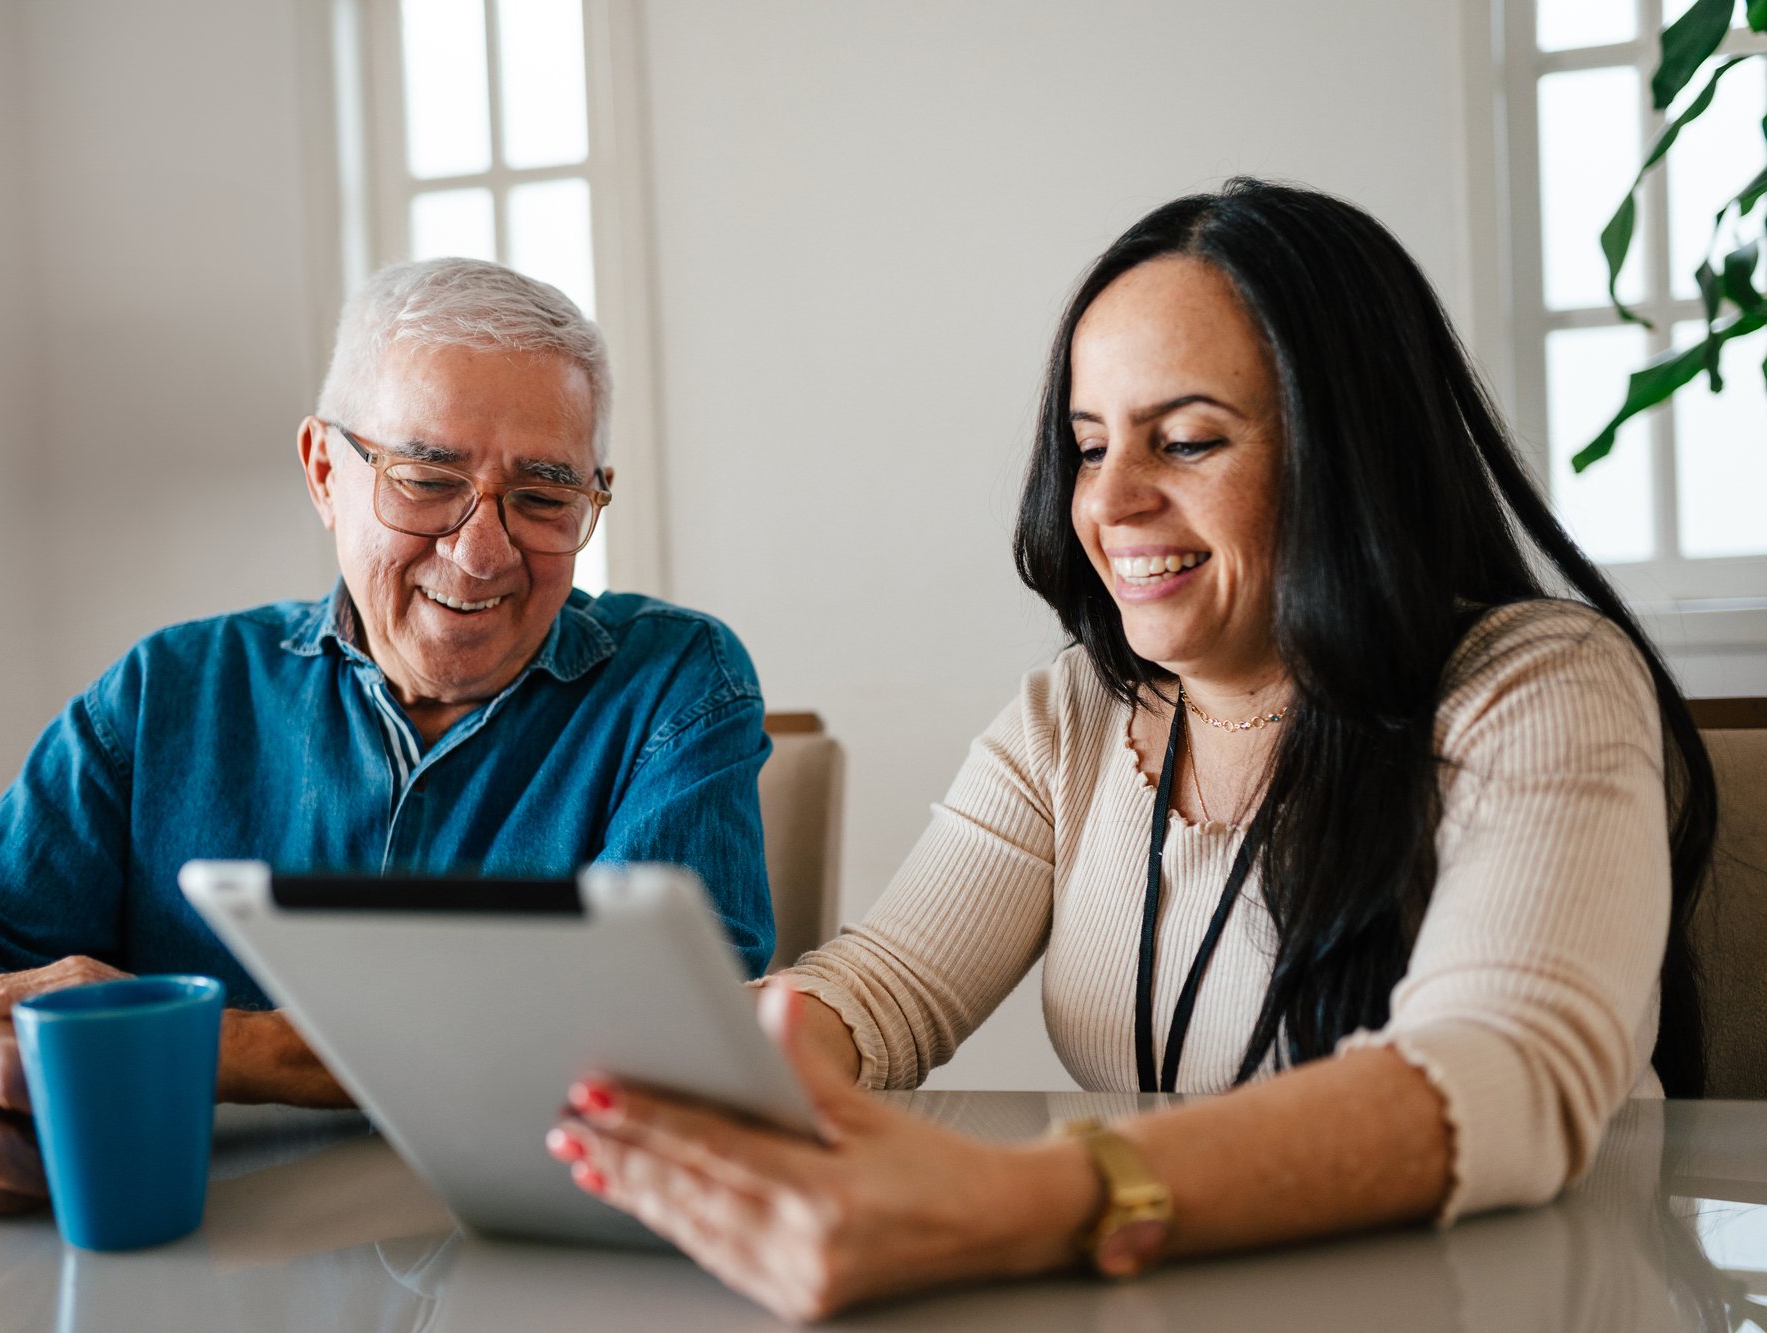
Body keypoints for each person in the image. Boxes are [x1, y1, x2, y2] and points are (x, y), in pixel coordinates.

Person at [548, 179, 1718, 1322]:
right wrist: (773, 1050)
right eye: (1088, 443)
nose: (1109, 502)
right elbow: (885, 987)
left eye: (1189, 440)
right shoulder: (1073, 714)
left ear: (1351, 452)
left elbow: (1502, 1074)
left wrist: (1029, 1195)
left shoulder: (1538, 682)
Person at [0, 259, 777, 1218]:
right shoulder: (166, 696)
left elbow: (682, 1048)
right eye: (425, 480)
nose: (480, 553)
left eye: (545, 497)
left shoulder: (676, 682)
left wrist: (207, 1043)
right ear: (321, 470)